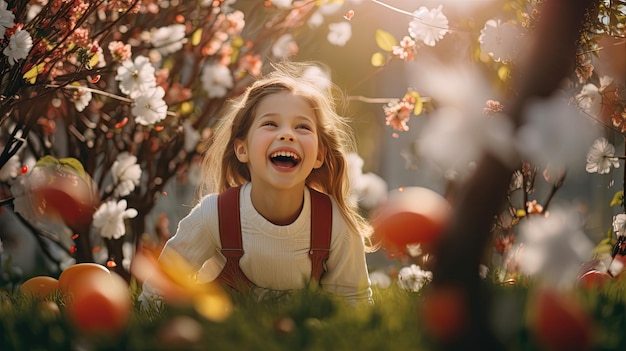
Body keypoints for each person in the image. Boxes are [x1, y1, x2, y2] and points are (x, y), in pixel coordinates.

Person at [140, 61, 375, 304]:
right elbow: (159, 288)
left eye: (302, 126)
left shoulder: (335, 224)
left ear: (319, 155)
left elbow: (354, 302)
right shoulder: (215, 216)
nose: (287, 134)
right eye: (270, 124)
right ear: (243, 149)